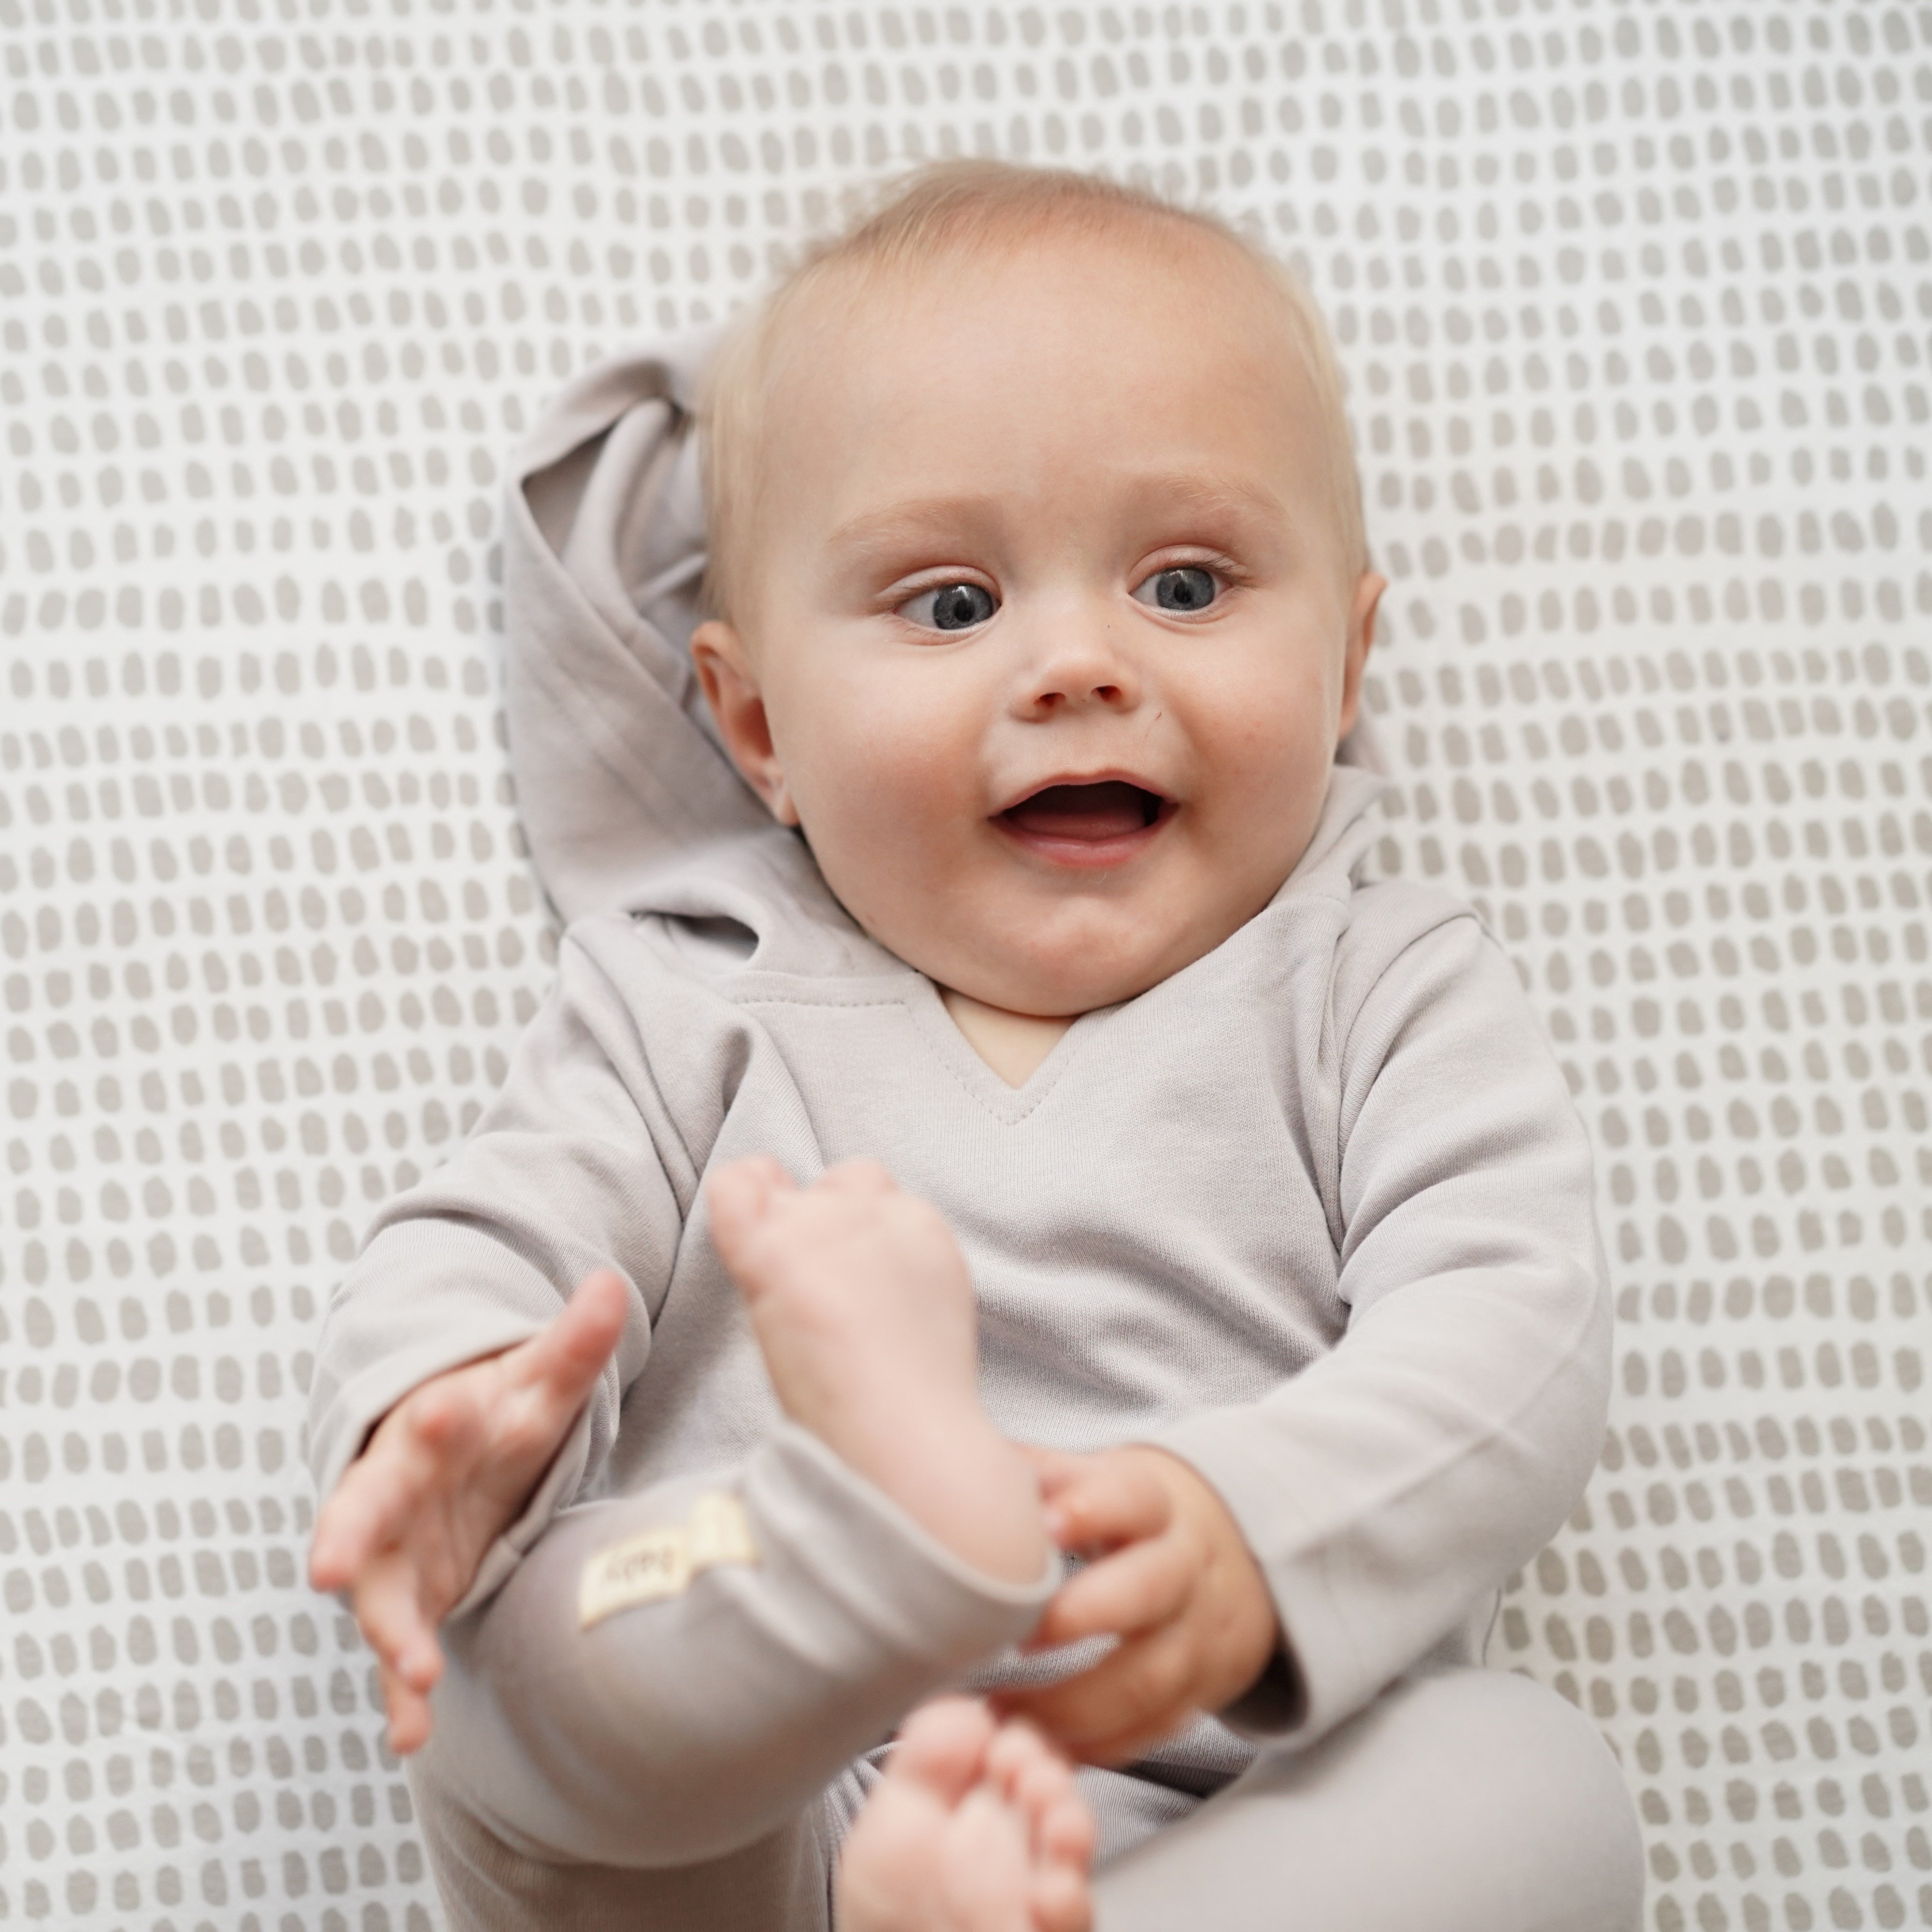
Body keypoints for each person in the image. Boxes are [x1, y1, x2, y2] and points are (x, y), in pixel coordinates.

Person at [306, 158, 1645, 1932]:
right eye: (951, 606)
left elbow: (1515, 1331)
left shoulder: (1371, 984)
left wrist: (1257, 1523)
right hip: (768, 1807)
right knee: (514, 1671)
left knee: (1527, 1783)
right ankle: (864, 1554)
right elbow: (501, 1231)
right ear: (761, 727)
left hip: (1220, 1818)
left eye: (1184, 584)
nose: (1079, 663)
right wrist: (443, 1402)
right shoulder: (691, 986)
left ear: (1344, 675)